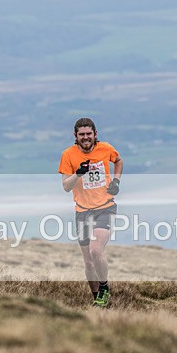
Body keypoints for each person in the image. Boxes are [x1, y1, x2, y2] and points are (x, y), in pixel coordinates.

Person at [59, 117, 123, 307]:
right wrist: (78, 174)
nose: (85, 138)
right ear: (75, 136)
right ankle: (98, 300)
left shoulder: (105, 148)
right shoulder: (68, 155)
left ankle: (104, 288)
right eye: (82, 135)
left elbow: (118, 161)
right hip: (82, 212)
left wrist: (116, 181)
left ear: (95, 134)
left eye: (89, 134)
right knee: (88, 262)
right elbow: (65, 187)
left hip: (105, 207)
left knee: (96, 250)